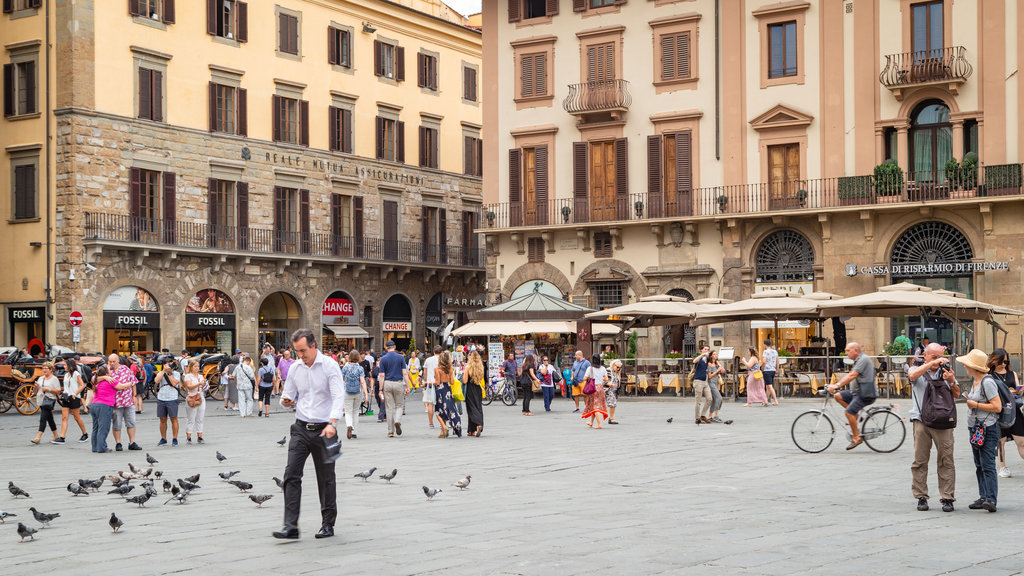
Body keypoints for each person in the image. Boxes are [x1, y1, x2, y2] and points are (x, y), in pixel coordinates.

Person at [274, 328, 345, 540]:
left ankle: (328, 524)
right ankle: (290, 526)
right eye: (297, 351)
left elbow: (338, 395)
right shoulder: (296, 368)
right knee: (291, 475)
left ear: (314, 346)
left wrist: (333, 423)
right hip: (300, 427)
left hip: (326, 428)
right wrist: (285, 401)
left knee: (326, 479)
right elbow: (288, 394)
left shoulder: (330, 366)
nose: (300, 355)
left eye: (303, 350)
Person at [907, 342, 960, 512]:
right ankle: (921, 496)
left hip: (943, 421)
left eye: (940, 357)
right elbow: (913, 376)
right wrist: (930, 365)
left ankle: (947, 497)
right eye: (934, 357)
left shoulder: (946, 371)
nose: (938, 360)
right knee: (920, 460)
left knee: (946, 459)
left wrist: (951, 381)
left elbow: (958, 394)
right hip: (921, 421)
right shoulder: (916, 369)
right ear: (925, 356)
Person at [959, 348, 1002, 512]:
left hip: (987, 428)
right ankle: (983, 496)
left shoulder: (987, 381)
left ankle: (991, 499)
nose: (964, 366)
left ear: (972, 366)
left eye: (966, 364)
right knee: (979, 464)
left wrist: (975, 405)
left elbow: (997, 407)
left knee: (988, 464)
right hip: (976, 428)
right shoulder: (975, 381)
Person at [828, 342, 877, 450]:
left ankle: (856, 438)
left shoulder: (863, 360)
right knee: (838, 396)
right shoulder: (858, 360)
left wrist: (837, 384)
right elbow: (851, 375)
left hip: (865, 394)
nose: (846, 353)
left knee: (848, 412)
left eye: (848, 350)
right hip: (855, 392)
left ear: (856, 351)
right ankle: (857, 417)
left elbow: (852, 375)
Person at [990, 349, 1024, 478]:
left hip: (1014, 410)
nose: (1003, 364)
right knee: (1001, 440)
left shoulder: (1011, 373)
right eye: (1000, 361)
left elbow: (1017, 390)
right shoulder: (989, 376)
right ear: (994, 361)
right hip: (999, 411)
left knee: (1021, 440)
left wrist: (1019, 390)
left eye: (1006, 361)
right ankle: (1003, 467)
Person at [87, 365, 126, 452]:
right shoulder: (110, 381)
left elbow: (93, 378)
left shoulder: (97, 381)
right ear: (107, 373)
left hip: (94, 405)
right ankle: (102, 447)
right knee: (103, 427)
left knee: (95, 427)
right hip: (105, 405)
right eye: (109, 370)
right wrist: (131, 383)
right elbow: (121, 386)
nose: (111, 371)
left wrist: (104, 377)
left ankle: (95, 447)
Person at [108, 354, 141, 451]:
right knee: (117, 423)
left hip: (128, 400)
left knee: (131, 422)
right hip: (116, 402)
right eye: (110, 361)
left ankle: (132, 442)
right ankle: (118, 443)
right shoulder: (107, 371)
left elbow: (133, 382)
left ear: (118, 360)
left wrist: (134, 395)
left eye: (114, 361)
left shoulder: (125, 369)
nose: (112, 363)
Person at [377, 340, 409, 438]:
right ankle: (397, 420)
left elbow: (382, 375)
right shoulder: (400, 357)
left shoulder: (383, 359)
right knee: (399, 405)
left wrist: (380, 389)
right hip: (398, 383)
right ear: (394, 347)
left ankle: (390, 431)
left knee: (389, 407)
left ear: (386, 348)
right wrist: (408, 386)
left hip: (387, 383)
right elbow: (404, 373)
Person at [58, 358, 88, 444]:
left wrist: (75, 393)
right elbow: (66, 387)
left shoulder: (76, 374)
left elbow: (82, 385)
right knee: (64, 418)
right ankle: (62, 437)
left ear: (70, 366)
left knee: (76, 417)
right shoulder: (66, 375)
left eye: (65, 365)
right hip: (66, 397)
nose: (64, 366)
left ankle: (85, 434)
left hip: (74, 397)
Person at [433, 350, 462, 438]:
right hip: (448, 390)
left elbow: (437, 382)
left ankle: (444, 426)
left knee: (438, 411)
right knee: (450, 409)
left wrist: (429, 383)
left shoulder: (437, 369)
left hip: (440, 390)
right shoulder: (450, 368)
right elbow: (452, 382)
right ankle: (445, 430)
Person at [31, 362, 61, 445]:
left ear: (51, 370)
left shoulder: (54, 379)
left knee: (43, 418)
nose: (44, 370)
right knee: (49, 419)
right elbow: (35, 391)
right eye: (43, 368)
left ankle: (38, 437)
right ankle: (56, 436)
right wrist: (35, 387)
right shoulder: (40, 378)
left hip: (49, 400)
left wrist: (48, 389)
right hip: (41, 400)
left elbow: (58, 391)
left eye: (46, 368)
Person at [341, 349, 368, 439]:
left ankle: (349, 425)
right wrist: (366, 394)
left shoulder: (345, 367)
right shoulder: (360, 368)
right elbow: (363, 382)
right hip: (357, 392)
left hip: (347, 391)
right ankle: (354, 432)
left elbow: (342, 380)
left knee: (348, 411)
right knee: (356, 411)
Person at [154, 361, 181, 446]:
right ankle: (163, 438)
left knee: (174, 419)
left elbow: (174, 383)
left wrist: (169, 373)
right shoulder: (161, 373)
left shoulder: (176, 374)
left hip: (172, 397)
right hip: (161, 397)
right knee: (162, 419)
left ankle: (175, 438)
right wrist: (163, 371)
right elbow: (156, 381)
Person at [183, 360, 207, 444]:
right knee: (191, 418)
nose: (197, 368)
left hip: (201, 397)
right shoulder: (188, 376)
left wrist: (204, 385)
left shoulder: (200, 376)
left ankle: (200, 436)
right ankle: (188, 437)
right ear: (191, 367)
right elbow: (189, 387)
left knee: (200, 418)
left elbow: (202, 386)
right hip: (191, 398)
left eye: (198, 366)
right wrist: (199, 384)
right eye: (195, 366)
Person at [582, 354, 608, 428]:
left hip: (593, 388)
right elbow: (606, 379)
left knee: (595, 406)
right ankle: (591, 422)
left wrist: (590, 379)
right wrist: (600, 378)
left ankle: (599, 424)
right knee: (595, 404)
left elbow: (584, 378)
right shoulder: (603, 368)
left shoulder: (590, 369)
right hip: (600, 387)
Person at [464, 351, 485, 436]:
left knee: (471, 408)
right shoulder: (481, 367)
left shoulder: (468, 367)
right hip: (478, 388)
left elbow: (465, 381)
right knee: (478, 407)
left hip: (470, 389)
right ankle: (472, 430)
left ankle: (478, 424)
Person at [692, 346, 712, 424]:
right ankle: (697, 418)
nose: (707, 351)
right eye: (705, 349)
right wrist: (702, 355)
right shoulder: (699, 358)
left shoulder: (707, 360)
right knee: (698, 401)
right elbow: (694, 361)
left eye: (708, 350)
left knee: (709, 399)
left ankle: (703, 415)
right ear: (701, 350)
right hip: (698, 381)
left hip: (705, 381)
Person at [422, 346, 440, 428]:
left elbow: (424, 372)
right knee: (441, 404)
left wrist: (426, 380)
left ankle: (431, 423)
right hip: (440, 383)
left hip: (430, 383)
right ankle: (442, 422)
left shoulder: (428, 360)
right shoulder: (442, 359)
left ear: (433, 351)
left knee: (430, 404)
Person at [707, 351, 727, 423]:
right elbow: (710, 376)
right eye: (714, 354)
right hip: (711, 382)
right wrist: (717, 371)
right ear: (711, 356)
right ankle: (716, 415)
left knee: (714, 400)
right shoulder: (709, 364)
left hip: (716, 382)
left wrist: (719, 364)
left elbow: (723, 371)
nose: (716, 355)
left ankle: (710, 416)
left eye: (716, 354)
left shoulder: (716, 363)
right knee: (719, 398)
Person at [761, 340, 780, 406]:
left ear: (765, 345)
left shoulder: (765, 352)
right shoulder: (775, 352)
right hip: (773, 370)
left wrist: (762, 368)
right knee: (768, 386)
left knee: (770, 386)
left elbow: (764, 361)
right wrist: (777, 369)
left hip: (767, 370)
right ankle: (765, 401)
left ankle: (775, 400)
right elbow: (777, 361)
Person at [606, 359, 621, 424]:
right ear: (613, 365)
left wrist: (618, 372)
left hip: (614, 390)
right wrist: (611, 384)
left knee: (614, 403)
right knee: (612, 403)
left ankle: (611, 418)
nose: (618, 369)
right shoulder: (608, 370)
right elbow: (604, 380)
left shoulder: (616, 372)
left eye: (619, 368)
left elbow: (619, 380)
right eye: (617, 367)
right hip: (608, 389)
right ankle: (611, 418)